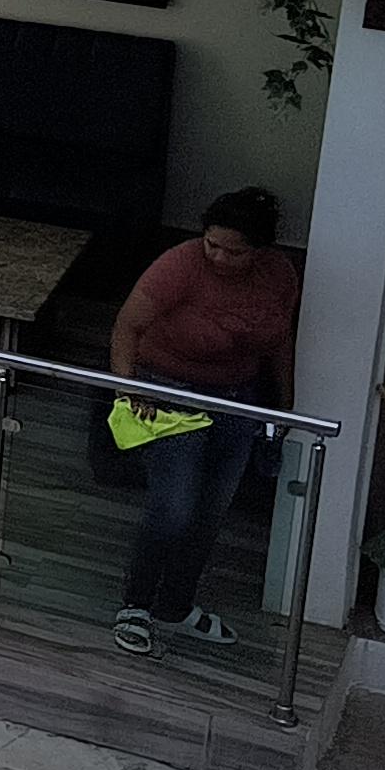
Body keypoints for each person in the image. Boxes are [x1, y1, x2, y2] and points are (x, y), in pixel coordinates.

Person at [107, 184, 301, 657]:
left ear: (259, 250)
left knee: (211, 512)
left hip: (238, 399)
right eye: (211, 244)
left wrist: (284, 404)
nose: (217, 257)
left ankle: (176, 604)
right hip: (171, 392)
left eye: (232, 252)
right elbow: (127, 325)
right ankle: (136, 605)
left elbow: (279, 341)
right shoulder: (180, 264)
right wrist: (129, 388)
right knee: (173, 508)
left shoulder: (279, 274)